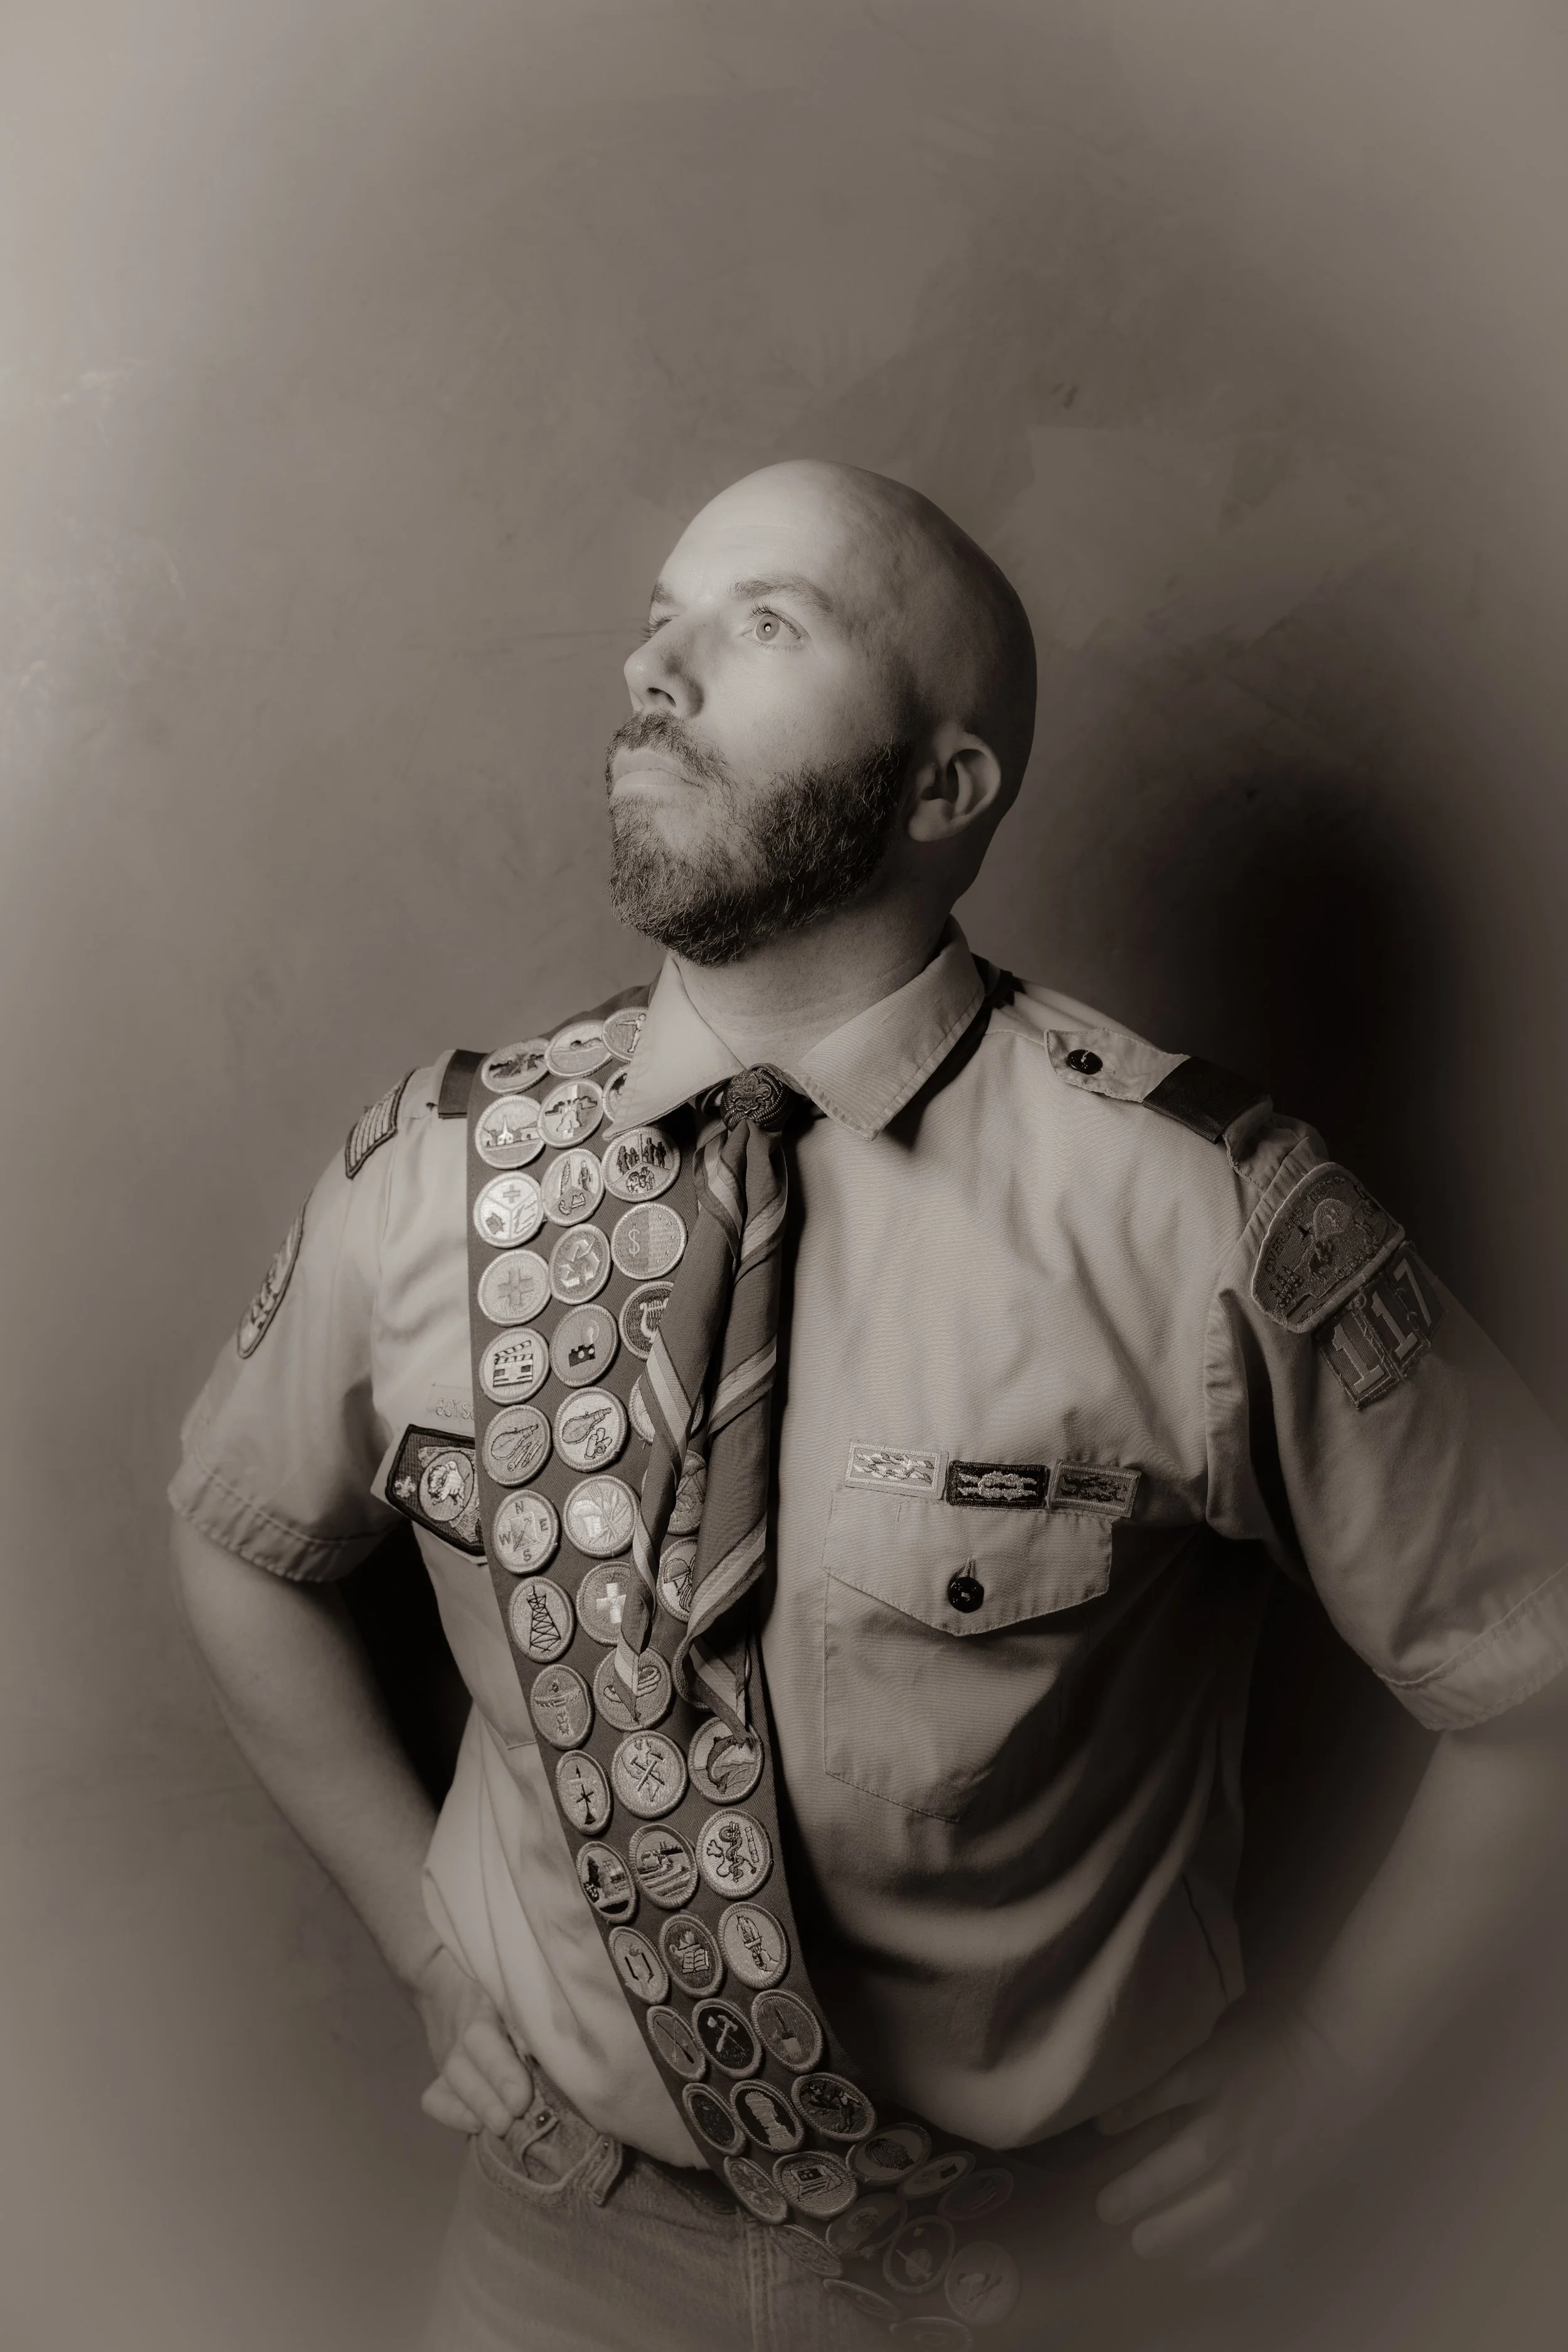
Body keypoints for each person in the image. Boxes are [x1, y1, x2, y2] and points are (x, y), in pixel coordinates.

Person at [169, 460, 1568, 2352]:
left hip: (1037, 2278)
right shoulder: (439, 1175)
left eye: (764, 625)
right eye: (661, 614)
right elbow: (234, 1530)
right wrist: (426, 1944)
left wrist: (1330, 2070)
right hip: (562, 2255)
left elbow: (1531, 1670)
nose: (657, 665)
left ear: (943, 786)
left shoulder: (1193, 1215)